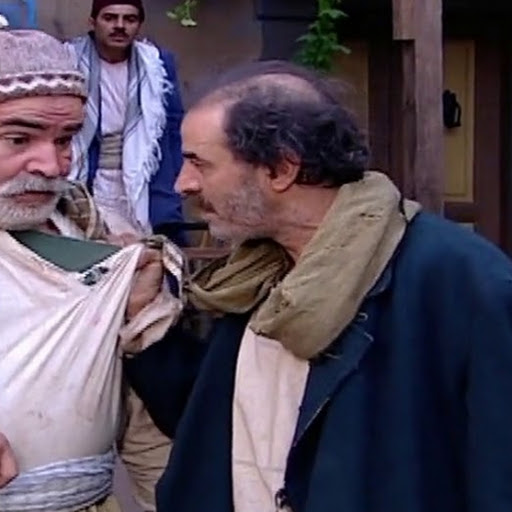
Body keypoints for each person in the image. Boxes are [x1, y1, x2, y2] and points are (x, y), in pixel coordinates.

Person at [124, 60, 512, 512]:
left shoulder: (457, 282)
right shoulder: (253, 277)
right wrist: (144, 311)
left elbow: (497, 471)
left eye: (199, 164)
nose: (182, 184)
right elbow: (205, 425)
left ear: (280, 169)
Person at [0, 29, 182, 512]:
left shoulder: (88, 233)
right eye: (18, 138)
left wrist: (142, 316)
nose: (53, 165)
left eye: (65, 140)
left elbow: (140, 419)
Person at [66, 0, 185, 242]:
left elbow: (173, 127)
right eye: (110, 18)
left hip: (143, 177)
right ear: (92, 22)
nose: (120, 26)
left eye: (129, 19)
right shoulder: (67, 60)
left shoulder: (156, 63)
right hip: (89, 175)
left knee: (150, 248)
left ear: (139, 25)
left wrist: (176, 176)